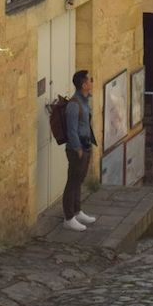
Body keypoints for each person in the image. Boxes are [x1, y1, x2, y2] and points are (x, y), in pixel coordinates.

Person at [62, 69, 98, 232]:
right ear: (84, 85)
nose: (91, 82)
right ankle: (69, 217)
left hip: (86, 146)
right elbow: (72, 130)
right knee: (73, 182)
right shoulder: (74, 105)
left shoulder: (84, 101)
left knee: (79, 180)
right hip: (78, 149)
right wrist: (78, 149)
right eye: (89, 80)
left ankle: (77, 210)